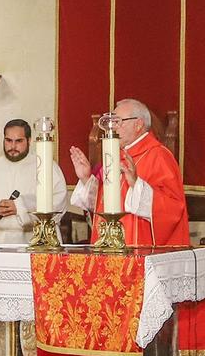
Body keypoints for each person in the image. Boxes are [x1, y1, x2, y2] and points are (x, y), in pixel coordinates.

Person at [68, 98, 189, 247]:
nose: (112, 128)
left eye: (118, 121)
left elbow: (173, 209)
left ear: (138, 124)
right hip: (109, 249)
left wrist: (137, 185)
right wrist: (86, 178)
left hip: (139, 249)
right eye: (111, 122)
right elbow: (106, 205)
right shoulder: (115, 155)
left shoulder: (158, 156)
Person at [0, 119, 67, 246]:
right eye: (8, 140)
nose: (13, 147)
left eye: (19, 141)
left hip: (36, 240)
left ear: (29, 140)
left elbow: (58, 202)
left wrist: (21, 206)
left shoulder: (47, 167)